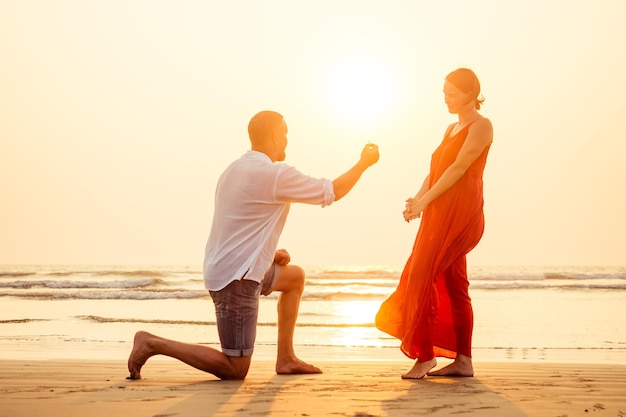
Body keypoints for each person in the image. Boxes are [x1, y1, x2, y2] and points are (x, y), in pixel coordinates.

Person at [128, 110, 379, 380]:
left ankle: (286, 359)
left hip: (234, 268)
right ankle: (152, 343)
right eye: (284, 135)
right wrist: (363, 163)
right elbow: (333, 191)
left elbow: (240, 225)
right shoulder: (274, 175)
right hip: (236, 279)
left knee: (294, 278)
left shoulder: (233, 170)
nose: (286, 141)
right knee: (235, 368)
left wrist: (268, 254)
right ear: (275, 137)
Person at [375, 68, 493, 379]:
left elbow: (458, 168)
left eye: (452, 94)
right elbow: (437, 169)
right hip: (437, 211)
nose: (446, 98)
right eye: (444, 92)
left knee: (420, 276)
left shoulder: (482, 127)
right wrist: (417, 199)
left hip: (460, 213)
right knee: (454, 285)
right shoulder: (451, 129)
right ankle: (463, 361)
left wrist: (426, 202)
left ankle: (425, 357)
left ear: (470, 94)